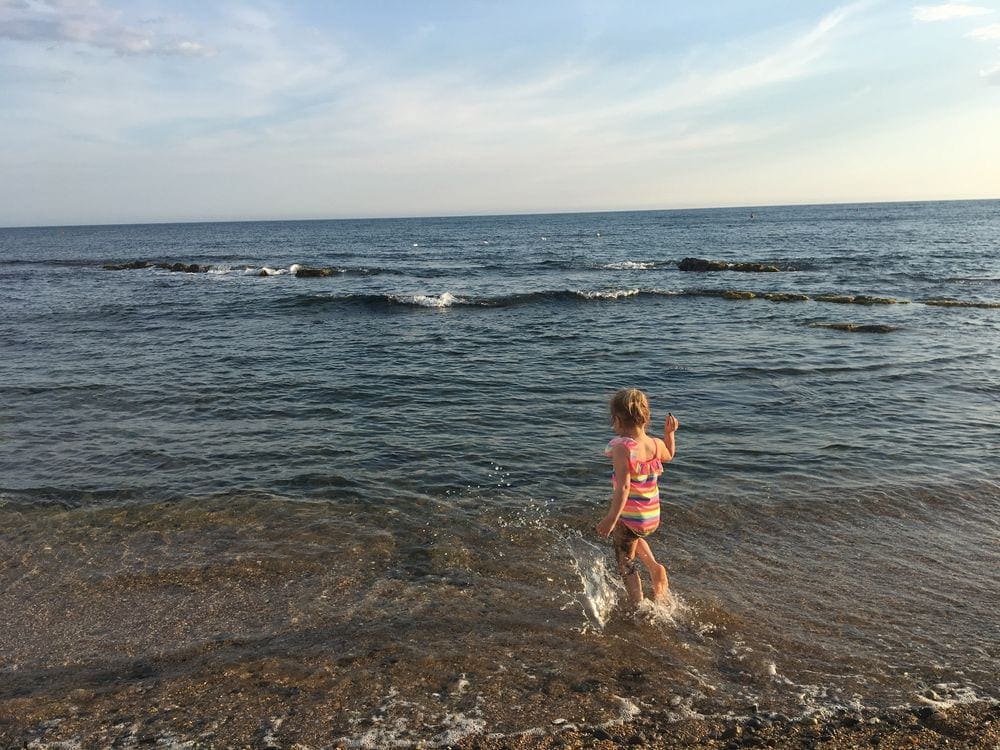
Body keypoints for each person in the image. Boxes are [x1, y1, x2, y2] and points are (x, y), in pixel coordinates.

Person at [596, 388, 679, 607]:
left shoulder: (623, 448)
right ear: (645, 417)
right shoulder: (654, 444)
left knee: (625, 562)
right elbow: (669, 455)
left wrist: (611, 519)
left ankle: (638, 605)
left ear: (617, 419)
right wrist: (669, 434)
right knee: (633, 537)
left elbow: (623, 487)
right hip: (652, 515)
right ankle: (653, 566)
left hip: (631, 517)